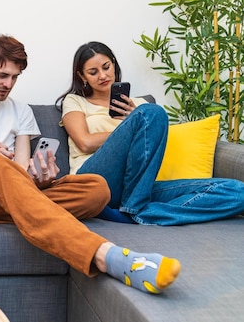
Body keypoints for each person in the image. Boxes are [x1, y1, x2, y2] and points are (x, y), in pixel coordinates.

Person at [0, 35, 181, 295]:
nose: (8, 84)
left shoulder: (21, 111)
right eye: (2, 75)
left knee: (96, 188)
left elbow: (20, 172)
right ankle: (104, 255)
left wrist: (41, 178)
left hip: (11, 190)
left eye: (15, 77)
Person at [57, 41, 244, 225]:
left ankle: (139, 212)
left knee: (237, 191)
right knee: (153, 113)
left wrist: (135, 122)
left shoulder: (139, 108)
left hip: (136, 188)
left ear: (114, 64)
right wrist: (132, 128)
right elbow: (85, 142)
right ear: (82, 76)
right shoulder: (75, 101)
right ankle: (133, 208)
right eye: (93, 72)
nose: (103, 75)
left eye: (106, 67)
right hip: (93, 182)